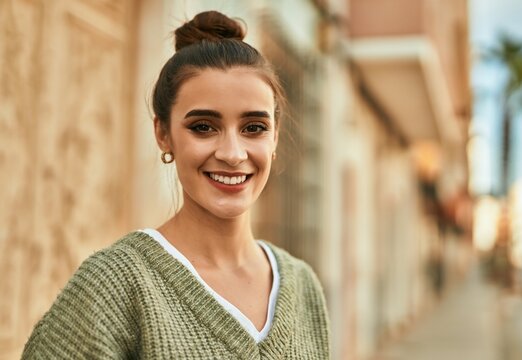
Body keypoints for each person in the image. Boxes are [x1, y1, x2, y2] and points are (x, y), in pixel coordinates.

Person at [22, 10, 330, 359]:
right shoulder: (113, 286)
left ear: (274, 138)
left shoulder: (304, 286)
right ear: (163, 134)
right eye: (203, 127)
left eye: (254, 128)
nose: (232, 153)